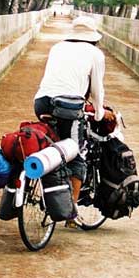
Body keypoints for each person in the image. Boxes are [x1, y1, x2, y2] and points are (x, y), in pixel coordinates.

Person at [34, 22, 114, 228]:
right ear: (94, 38)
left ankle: (46, 189)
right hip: (68, 106)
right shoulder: (95, 53)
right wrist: (99, 114)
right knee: (77, 156)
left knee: (53, 148)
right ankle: (70, 213)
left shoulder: (57, 47)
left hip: (41, 102)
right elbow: (97, 89)